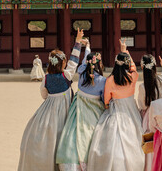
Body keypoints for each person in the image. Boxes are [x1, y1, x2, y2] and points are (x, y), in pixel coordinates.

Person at [18, 29, 84, 171]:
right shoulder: (66, 75)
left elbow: (44, 95)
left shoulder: (46, 78)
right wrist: (77, 42)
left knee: (49, 138)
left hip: (47, 110)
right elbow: (74, 61)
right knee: (62, 136)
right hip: (64, 110)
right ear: (62, 63)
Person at [87, 39, 145, 171]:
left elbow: (107, 98)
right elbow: (133, 67)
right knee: (134, 131)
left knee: (112, 134)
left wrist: (107, 105)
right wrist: (125, 51)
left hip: (117, 107)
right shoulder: (133, 76)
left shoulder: (110, 80)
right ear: (127, 64)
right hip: (130, 107)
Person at [56, 39, 106, 171]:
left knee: (73, 131)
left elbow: (84, 60)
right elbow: (104, 98)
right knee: (92, 132)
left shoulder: (82, 70)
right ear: (99, 65)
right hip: (94, 108)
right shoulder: (102, 81)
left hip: (78, 106)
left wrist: (87, 47)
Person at [137, 54, 162, 171]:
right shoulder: (161, 80)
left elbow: (143, 105)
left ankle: (150, 167)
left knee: (149, 142)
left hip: (149, 115)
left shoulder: (142, 86)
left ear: (142, 67)